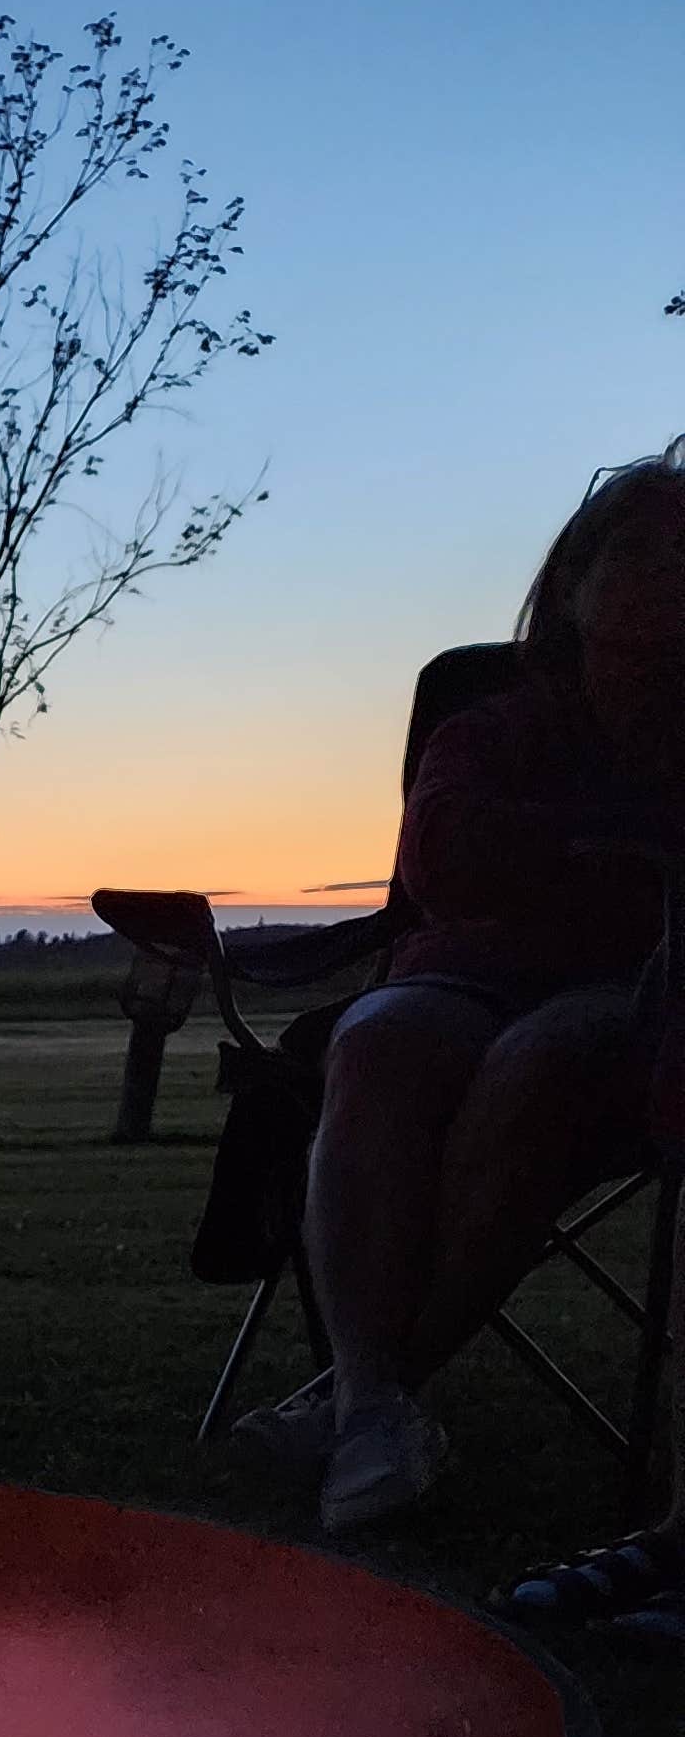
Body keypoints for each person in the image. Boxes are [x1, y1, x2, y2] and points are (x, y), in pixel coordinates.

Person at [238, 445, 685, 1542]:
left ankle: (361, 1401)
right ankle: (371, 1405)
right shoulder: (490, 724)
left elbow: (525, 868)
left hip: (639, 996)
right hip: (460, 972)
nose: (657, 576)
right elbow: (443, 859)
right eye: (631, 552)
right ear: (572, 585)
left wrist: (557, 863)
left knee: (542, 1062)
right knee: (377, 1039)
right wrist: (617, 860)